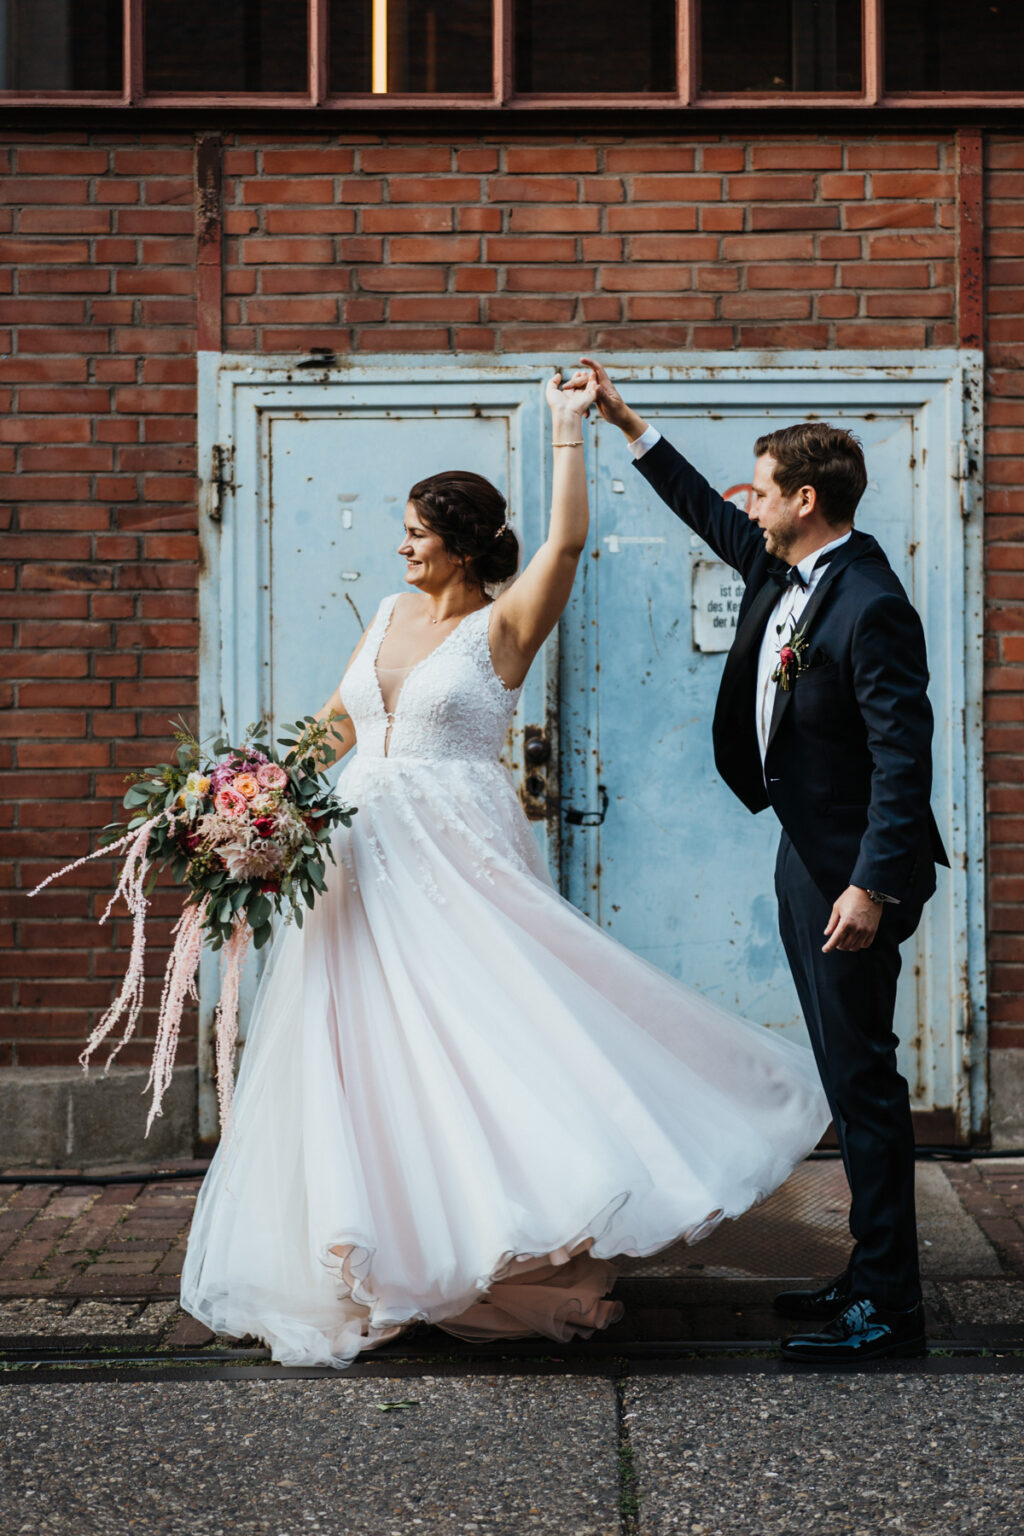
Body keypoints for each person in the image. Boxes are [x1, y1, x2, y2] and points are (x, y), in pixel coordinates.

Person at [180, 371, 829, 1369]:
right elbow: (335, 724)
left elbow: (565, 541)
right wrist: (249, 793)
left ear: (465, 545)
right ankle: (379, 1247)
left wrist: (570, 430)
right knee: (360, 1046)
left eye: (416, 530)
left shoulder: (503, 627)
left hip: (452, 856)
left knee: (481, 1037)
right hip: (354, 860)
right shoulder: (389, 612)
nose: (400, 544)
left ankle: (502, 1233)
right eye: (401, 528)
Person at [578, 356, 948, 1365]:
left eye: (763, 486)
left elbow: (901, 759)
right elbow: (706, 509)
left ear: (805, 499)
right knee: (845, 1075)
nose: (749, 499)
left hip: (852, 876)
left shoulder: (868, 603)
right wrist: (623, 421)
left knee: (865, 1082)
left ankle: (892, 1311)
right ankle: (866, 1275)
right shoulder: (785, 569)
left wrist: (871, 884)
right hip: (804, 854)